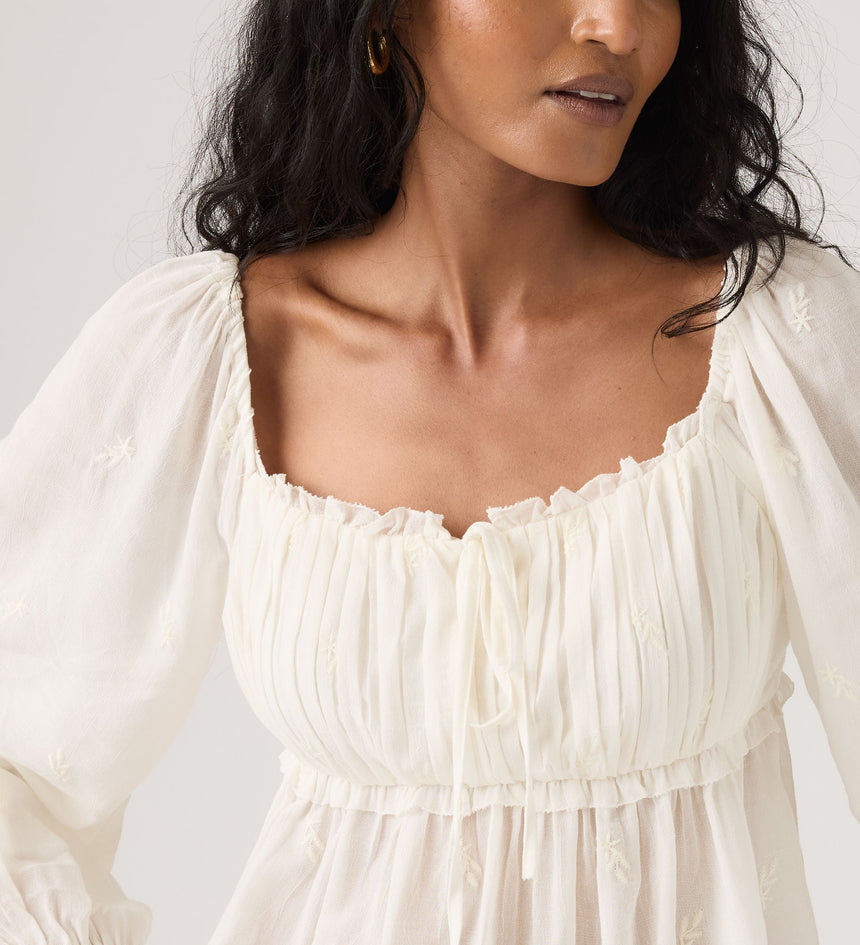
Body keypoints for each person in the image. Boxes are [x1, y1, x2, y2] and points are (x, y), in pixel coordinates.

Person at [1, 0, 858, 941]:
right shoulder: (218, 351)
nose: (619, 25)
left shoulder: (773, 342)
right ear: (383, 15)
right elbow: (18, 767)